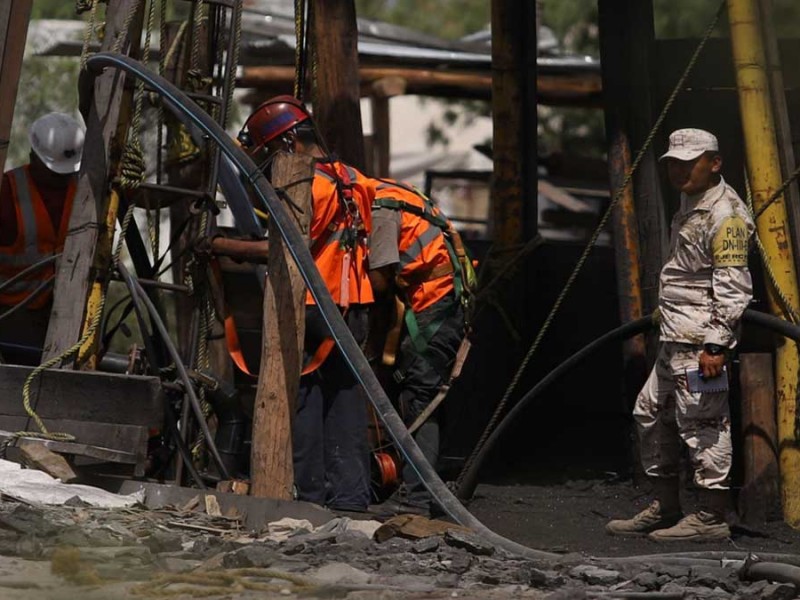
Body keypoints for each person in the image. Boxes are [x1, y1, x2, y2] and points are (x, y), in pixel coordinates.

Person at [606, 128, 754, 542]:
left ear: (714, 163)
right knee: (650, 412)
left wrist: (716, 343)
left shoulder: (725, 216)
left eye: (689, 163)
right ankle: (666, 506)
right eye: (674, 163)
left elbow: (733, 285)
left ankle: (710, 517)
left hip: (701, 344)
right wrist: (665, 309)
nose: (679, 170)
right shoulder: (693, 203)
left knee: (704, 424)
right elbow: (692, 270)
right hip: (677, 336)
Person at [238, 95, 374, 511]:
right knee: (346, 401)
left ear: (288, 145)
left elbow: (286, 246)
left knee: (303, 399)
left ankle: (309, 498)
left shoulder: (305, 185)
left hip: (316, 305)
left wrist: (224, 246)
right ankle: (350, 497)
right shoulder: (355, 180)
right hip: (356, 307)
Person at [367, 178, 469, 516]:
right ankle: (419, 491)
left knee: (420, 400)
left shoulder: (381, 208)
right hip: (441, 302)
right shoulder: (394, 192)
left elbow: (380, 279)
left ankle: (417, 500)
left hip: (435, 306)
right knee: (418, 396)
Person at [0, 112, 85, 365]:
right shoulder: (7, 192)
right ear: (32, 156)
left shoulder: (83, 192)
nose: (61, 177)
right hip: (11, 313)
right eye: (54, 171)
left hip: (63, 310)